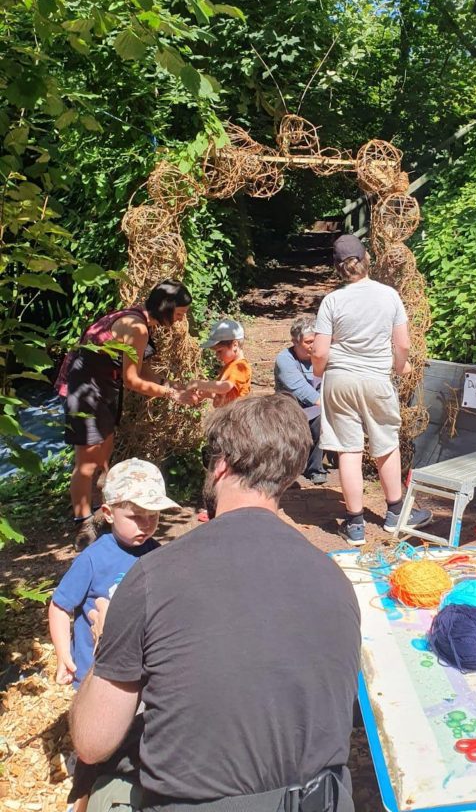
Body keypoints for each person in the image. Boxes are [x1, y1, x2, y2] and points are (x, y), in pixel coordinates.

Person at [70, 394, 361, 812]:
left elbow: (92, 742)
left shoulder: (154, 577)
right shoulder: (335, 579)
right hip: (322, 801)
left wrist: (105, 647)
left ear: (221, 464)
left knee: (98, 793)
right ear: (289, 474)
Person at [312, 234, 432, 546]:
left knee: (347, 449)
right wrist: (398, 365)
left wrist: (317, 371)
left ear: (338, 268)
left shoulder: (332, 301)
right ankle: (395, 514)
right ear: (367, 260)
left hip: (339, 380)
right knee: (386, 442)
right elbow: (403, 343)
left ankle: (354, 526)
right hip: (376, 378)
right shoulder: (388, 295)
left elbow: (321, 351)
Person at [57, 280, 193, 549]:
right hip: (87, 393)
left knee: (103, 457)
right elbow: (132, 380)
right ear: (166, 308)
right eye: (179, 314)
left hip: (104, 391)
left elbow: (142, 370)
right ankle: (82, 525)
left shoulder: (140, 320)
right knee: (86, 462)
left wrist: (170, 386)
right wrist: (171, 395)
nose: (180, 321)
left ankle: (100, 513)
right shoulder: (137, 326)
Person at [49, 458, 179, 689]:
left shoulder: (156, 554)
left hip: (138, 667)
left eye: (154, 516)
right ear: (108, 513)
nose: (146, 524)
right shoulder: (93, 559)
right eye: (136, 516)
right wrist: (63, 655)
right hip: (95, 669)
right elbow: (59, 606)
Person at [275, 316, 326, 485]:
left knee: (321, 420)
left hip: (318, 407)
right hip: (290, 406)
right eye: (308, 342)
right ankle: (287, 468)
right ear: (295, 342)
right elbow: (299, 389)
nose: (313, 346)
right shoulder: (285, 359)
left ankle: (314, 468)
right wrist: (326, 404)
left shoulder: (323, 355)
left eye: (315, 341)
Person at [186, 317, 252, 407]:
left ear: (235, 345)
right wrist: (206, 393)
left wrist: (199, 383)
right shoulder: (230, 366)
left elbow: (224, 387)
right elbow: (225, 395)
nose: (217, 356)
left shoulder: (240, 366)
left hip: (236, 417)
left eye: (219, 351)